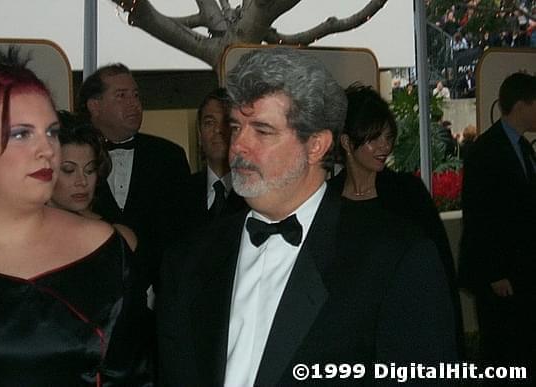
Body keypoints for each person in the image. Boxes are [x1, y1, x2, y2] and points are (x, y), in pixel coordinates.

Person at [157, 47, 457, 386]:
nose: (239, 146)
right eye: (236, 127)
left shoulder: (395, 258)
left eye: (262, 130)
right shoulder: (188, 259)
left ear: (316, 146)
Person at [0, 56, 152, 384]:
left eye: (52, 132)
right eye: (22, 135)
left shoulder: (104, 251)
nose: (47, 149)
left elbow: (133, 376)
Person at [332, 84, 464, 357]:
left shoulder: (408, 193)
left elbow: (440, 267)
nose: (385, 145)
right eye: (374, 137)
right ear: (346, 142)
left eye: (388, 136)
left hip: (405, 330)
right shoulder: (325, 201)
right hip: (345, 339)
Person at [78, 63, 191, 284]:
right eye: (121, 95)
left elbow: (183, 235)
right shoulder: (74, 158)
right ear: (94, 106)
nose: (134, 103)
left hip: (157, 294)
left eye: (136, 95)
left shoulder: (169, 156)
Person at [459, 72, 536, 374]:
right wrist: (495, 272)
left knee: (523, 348)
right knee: (502, 350)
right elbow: (479, 216)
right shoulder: (486, 150)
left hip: (522, 272)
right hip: (501, 276)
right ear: (521, 105)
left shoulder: (522, 148)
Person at [49, 111, 137, 249]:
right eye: (69, 170)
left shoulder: (116, 237)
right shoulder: (16, 234)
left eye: (90, 170)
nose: (82, 181)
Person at [186, 88, 246, 230]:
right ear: (200, 134)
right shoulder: (179, 193)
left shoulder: (254, 193)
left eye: (226, 122)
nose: (218, 130)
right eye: (209, 123)